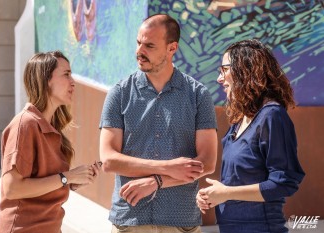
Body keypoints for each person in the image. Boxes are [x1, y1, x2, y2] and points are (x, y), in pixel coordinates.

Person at [99, 14, 218, 233]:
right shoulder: (119, 93)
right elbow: (108, 160)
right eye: (138, 43)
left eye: (150, 45)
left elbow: (207, 163)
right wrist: (166, 168)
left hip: (180, 220)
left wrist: (157, 181)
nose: (139, 51)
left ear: (172, 48)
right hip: (130, 220)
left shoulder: (198, 95)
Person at [196, 39, 305, 233]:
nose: (219, 79)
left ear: (245, 70)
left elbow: (284, 182)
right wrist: (213, 195)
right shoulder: (240, 120)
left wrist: (226, 193)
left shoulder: (272, 116)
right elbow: (239, 180)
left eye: (224, 70)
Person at [0, 51, 101, 233]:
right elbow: (12, 188)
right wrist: (67, 177)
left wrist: (73, 181)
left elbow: (43, 185)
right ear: (46, 80)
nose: (73, 82)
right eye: (66, 74)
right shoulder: (25, 125)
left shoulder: (51, 128)